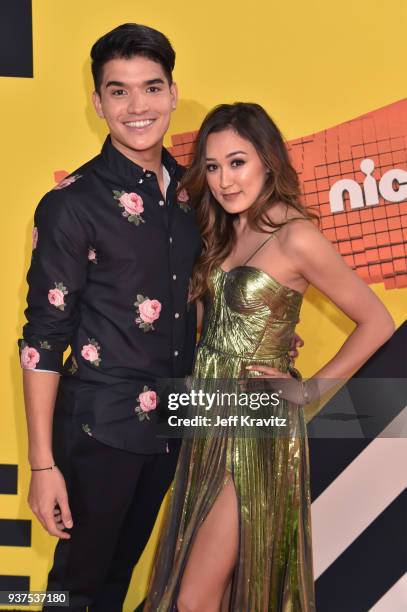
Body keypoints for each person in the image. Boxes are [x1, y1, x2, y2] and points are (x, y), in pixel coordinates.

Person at [144, 103, 395, 611]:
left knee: (195, 598)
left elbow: (378, 322)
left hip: (254, 427)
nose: (223, 181)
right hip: (208, 413)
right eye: (212, 167)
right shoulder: (223, 228)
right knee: (210, 589)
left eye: (237, 162)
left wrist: (308, 391)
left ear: (268, 161)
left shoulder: (296, 236)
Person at [18, 23, 204, 611]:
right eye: (118, 91)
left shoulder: (193, 196)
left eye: (151, 87)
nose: (137, 105)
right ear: (98, 103)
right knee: (75, 591)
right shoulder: (71, 205)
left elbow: (203, 294)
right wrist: (43, 465)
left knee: (119, 581)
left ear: (173, 93)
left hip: (174, 426)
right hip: (99, 431)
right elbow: (43, 342)